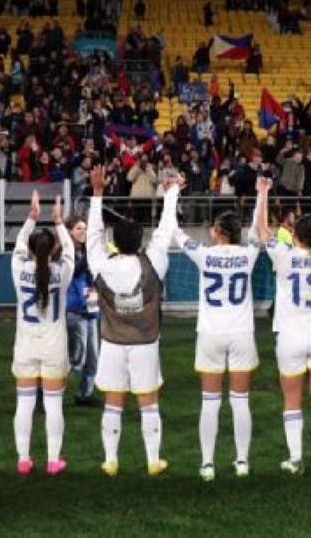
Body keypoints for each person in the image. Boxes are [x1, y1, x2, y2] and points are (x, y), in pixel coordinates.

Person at [87, 165, 180, 477]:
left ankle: (110, 460)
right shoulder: (153, 262)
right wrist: (171, 193)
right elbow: (166, 230)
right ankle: (153, 460)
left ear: (115, 240)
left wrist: (98, 194)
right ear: (141, 240)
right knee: (148, 400)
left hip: (113, 342)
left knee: (113, 401)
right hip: (145, 343)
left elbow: (93, 235)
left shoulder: (101, 264)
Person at [255, 177, 311, 474]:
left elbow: (263, 231)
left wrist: (263, 194)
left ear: (295, 236)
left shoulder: (285, 255)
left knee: (292, 398)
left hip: (291, 337)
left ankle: (297, 458)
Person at [175, 210, 260, 481]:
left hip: (211, 334)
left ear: (218, 231)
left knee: (210, 403)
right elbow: (257, 229)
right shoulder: (248, 254)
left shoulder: (205, 254)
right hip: (241, 333)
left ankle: (208, 464)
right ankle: (242, 461)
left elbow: (177, 235)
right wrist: (261, 195)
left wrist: (171, 197)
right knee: (240, 402)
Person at [10, 192, 74, 476]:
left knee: (24, 404)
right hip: (54, 347)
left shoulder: (18, 266)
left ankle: (23, 459)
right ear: (53, 249)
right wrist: (59, 221)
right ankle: (52, 460)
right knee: (53, 405)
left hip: (25, 346)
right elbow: (70, 249)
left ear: (32, 249)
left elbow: (19, 244)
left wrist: (31, 217)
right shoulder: (61, 271)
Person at [65, 215, 100, 406]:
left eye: (85, 228)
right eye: (78, 228)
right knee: (77, 358)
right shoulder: (64, 251)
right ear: (70, 231)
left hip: (92, 309)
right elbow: (74, 272)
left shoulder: (91, 251)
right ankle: (49, 391)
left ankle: (84, 394)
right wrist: (90, 255)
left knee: (93, 357)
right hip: (75, 309)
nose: (83, 232)